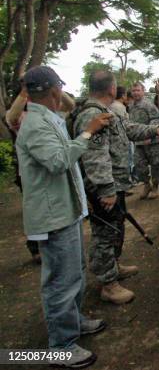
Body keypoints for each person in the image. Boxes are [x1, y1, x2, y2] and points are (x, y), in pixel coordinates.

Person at [15, 66, 111, 368]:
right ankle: (61, 345)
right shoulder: (34, 124)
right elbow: (58, 161)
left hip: (66, 210)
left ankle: (74, 322)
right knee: (60, 281)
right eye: (59, 89)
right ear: (55, 90)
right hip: (53, 217)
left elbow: (67, 110)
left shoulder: (46, 117)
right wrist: (88, 131)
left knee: (75, 274)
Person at [74, 71, 159, 304]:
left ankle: (114, 266)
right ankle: (108, 283)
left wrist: (152, 130)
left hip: (115, 184)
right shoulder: (91, 114)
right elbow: (94, 156)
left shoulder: (105, 112)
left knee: (116, 227)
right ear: (112, 88)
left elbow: (127, 129)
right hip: (104, 187)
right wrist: (105, 188)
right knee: (105, 232)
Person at [6, 80, 76, 264]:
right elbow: (11, 117)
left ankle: (45, 245)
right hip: (32, 174)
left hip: (54, 169)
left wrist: (57, 86)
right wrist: (25, 90)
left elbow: (70, 106)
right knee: (38, 207)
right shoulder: (24, 119)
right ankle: (35, 247)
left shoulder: (50, 116)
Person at [129, 82, 159, 199]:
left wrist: (149, 136)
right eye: (133, 91)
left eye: (138, 90)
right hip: (139, 141)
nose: (135, 93)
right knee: (139, 165)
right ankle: (146, 185)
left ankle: (155, 187)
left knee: (155, 164)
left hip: (153, 140)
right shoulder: (131, 106)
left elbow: (156, 120)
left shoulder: (149, 105)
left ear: (143, 91)